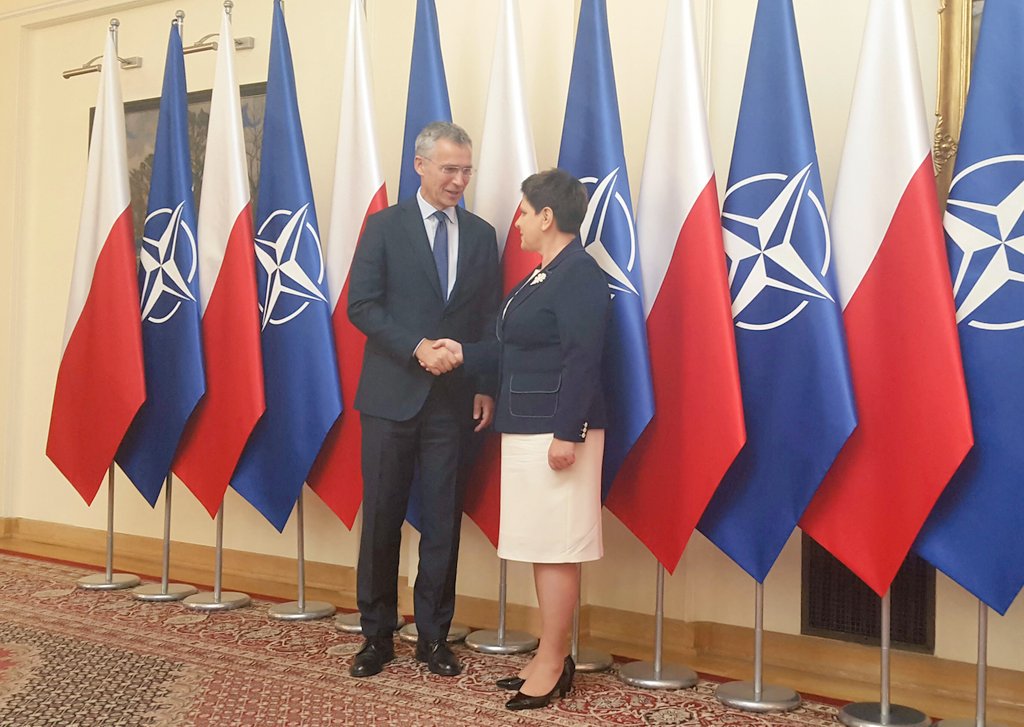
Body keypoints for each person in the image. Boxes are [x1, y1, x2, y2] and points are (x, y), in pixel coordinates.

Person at [437, 169, 609, 710]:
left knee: (557, 548)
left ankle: (554, 662)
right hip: (528, 427)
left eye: (524, 212)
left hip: (557, 432)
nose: (517, 223)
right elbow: (512, 347)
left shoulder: (578, 273)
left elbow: (583, 359)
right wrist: (463, 352)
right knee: (541, 545)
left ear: (547, 217)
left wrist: (567, 433)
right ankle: (547, 653)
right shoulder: (543, 275)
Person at [346, 121, 500, 678]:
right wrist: (416, 348)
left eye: (466, 171)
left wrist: (483, 383)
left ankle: (434, 637)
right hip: (390, 397)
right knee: (382, 520)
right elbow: (361, 305)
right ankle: (377, 636)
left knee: (442, 523)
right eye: (449, 169)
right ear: (420, 165)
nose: (459, 180)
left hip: (452, 403)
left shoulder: (481, 235)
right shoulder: (384, 227)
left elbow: (488, 318)